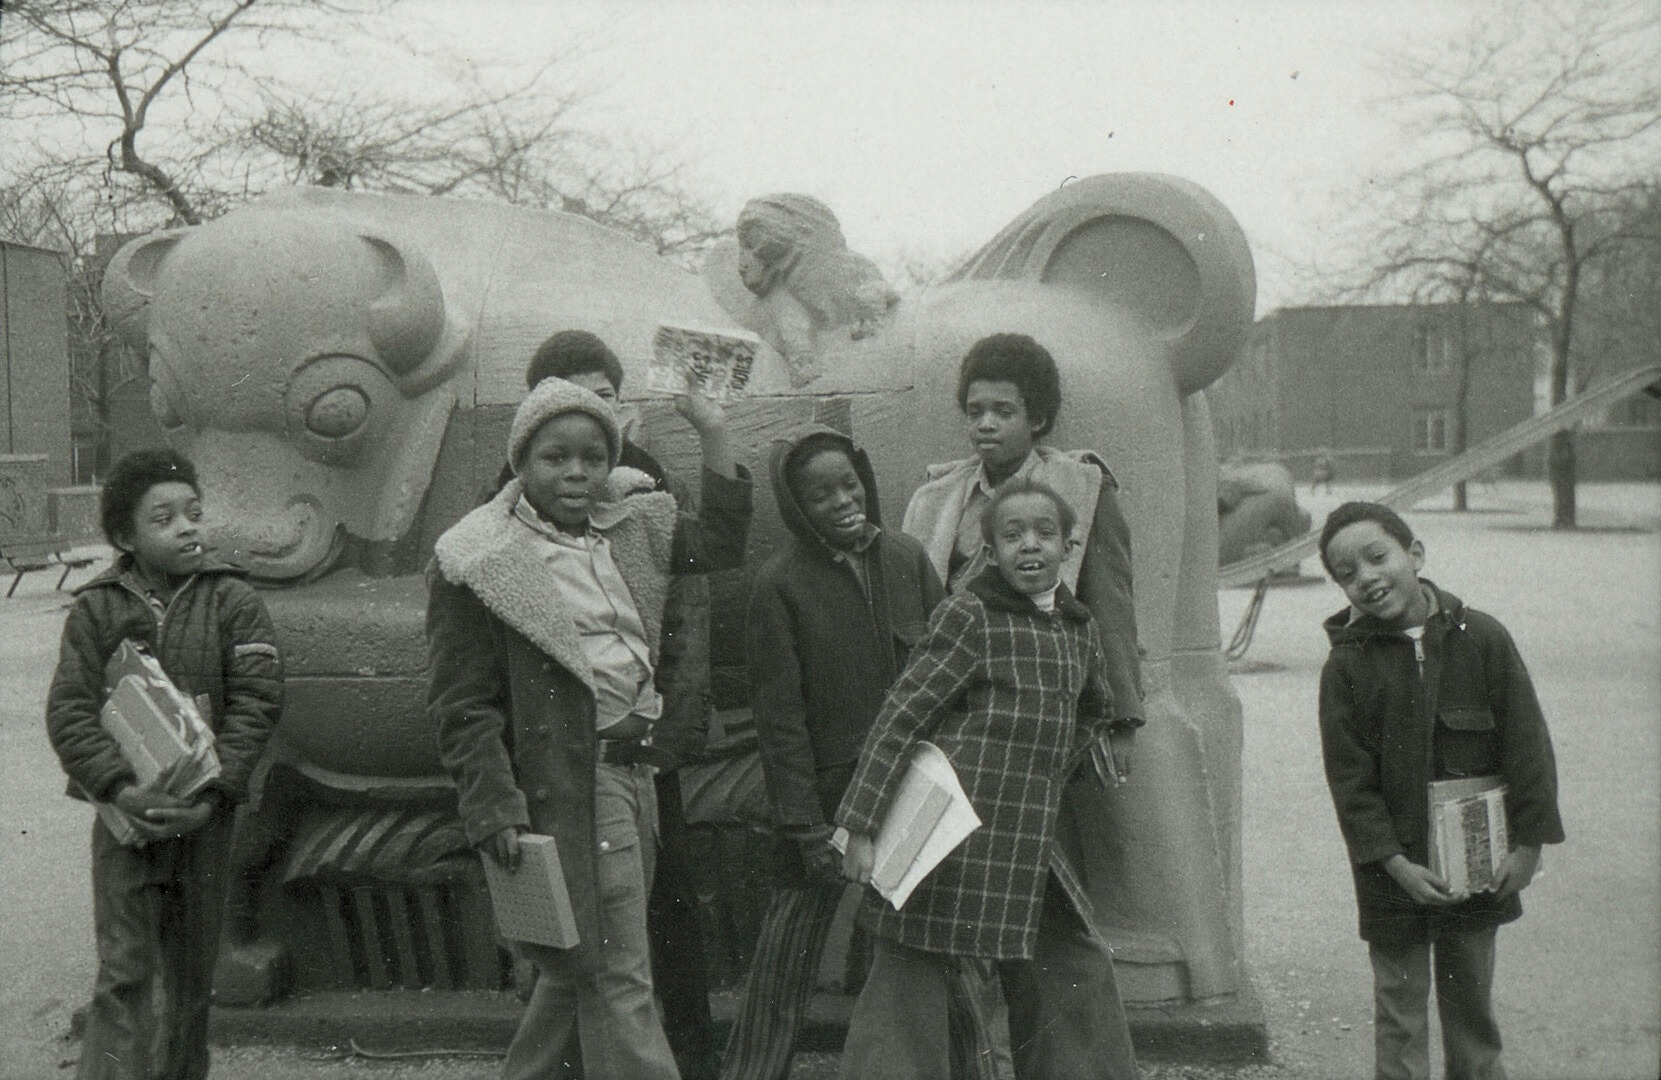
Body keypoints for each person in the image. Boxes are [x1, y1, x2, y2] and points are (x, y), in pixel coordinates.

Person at [428, 376, 751, 1080]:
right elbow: (462, 704)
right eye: (555, 457)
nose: (576, 473)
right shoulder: (478, 558)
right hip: (576, 782)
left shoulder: (632, 527)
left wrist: (713, 432)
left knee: (580, 971)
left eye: (591, 457)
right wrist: (493, 807)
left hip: (637, 775)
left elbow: (722, 545)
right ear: (521, 462)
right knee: (619, 976)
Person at [836, 479, 1142, 1080]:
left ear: (1068, 546)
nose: (1030, 546)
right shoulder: (970, 613)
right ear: (989, 552)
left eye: (1045, 534)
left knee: (1070, 957)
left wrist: (1051, 766)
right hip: (947, 831)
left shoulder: (1079, 628)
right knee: (912, 963)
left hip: (1028, 840)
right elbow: (902, 715)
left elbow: (1095, 707)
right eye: (1012, 535)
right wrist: (859, 826)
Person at [900, 332, 1144, 1073]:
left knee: (1047, 916)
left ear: (1037, 417)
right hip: (952, 734)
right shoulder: (936, 498)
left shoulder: (1082, 488)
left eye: (1003, 409)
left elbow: (1111, 604)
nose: (985, 424)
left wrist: (1122, 716)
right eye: (974, 409)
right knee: (940, 910)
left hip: (1042, 732)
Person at [496, 328, 720, 1079]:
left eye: (602, 397)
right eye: (558, 448)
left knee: (603, 955)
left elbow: (690, 608)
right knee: (612, 962)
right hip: (572, 763)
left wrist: (670, 732)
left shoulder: (647, 502)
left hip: (646, 752)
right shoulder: (491, 536)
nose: (579, 464)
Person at [46, 448, 284, 1080]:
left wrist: (217, 790)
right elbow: (69, 711)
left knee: (187, 977)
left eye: (194, 512)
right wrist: (119, 788)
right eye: (165, 518)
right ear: (125, 537)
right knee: (124, 970)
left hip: (205, 820)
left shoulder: (232, 599)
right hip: (126, 823)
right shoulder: (96, 609)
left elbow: (258, 703)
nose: (187, 527)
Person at [721, 426, 944, 1080]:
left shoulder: (906, 559)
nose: (843, 501)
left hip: (911, 787)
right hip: (826, 803)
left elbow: (948, 670)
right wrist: (806, 827)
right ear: (795, 507)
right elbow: (779, 721)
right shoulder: (778, 586)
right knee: (788, 952)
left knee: (933, 944)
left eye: (849, 484)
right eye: (820, 495)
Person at [1316, 501, 1564, 1080]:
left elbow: (1529, 749)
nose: (1367, 578)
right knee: (1399, 1017)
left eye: (1377, 557)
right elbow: (1349, 783)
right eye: (1347, 573)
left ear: (1415, 555)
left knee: (1471, 1009)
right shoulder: (1345, 669)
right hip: (1391, 872)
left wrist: (1529, 848)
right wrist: (1395, 864)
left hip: (1479, 864)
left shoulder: (1484, 638)